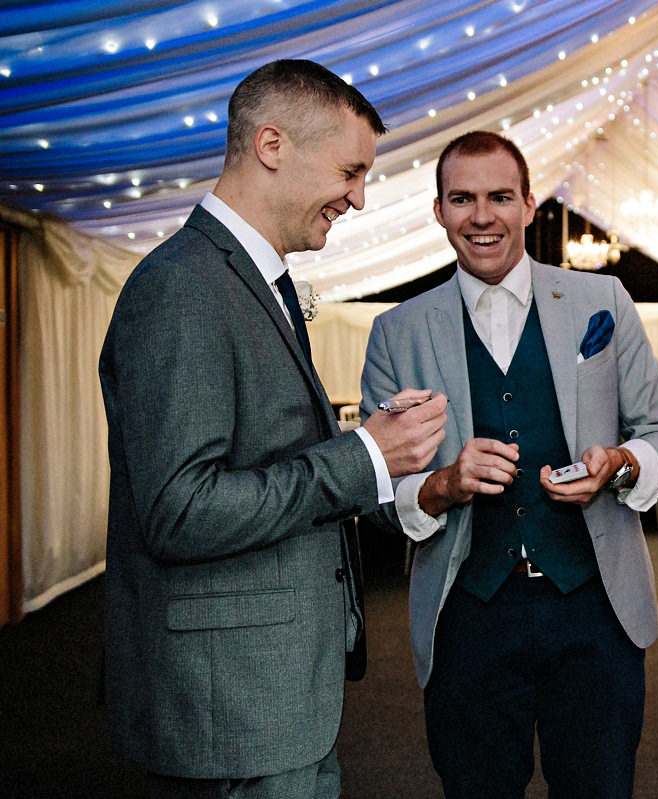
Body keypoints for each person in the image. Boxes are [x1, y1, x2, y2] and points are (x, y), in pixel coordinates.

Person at [99, 59, 448, 798]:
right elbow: (179, 510)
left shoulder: (252, 280)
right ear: (271, 145)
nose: (357, 197)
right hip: (231, 710)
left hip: (277, 698)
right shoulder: (183, 287)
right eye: (351, 172)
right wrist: (361, 456)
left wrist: (376, 448)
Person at [359, 130, 658, 797]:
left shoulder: (603, 303)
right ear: (439, 210)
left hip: (595, 606)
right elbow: (377, 493)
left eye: (500, 197)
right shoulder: (398, 331)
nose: (482, 216)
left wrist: (621, 461)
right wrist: (444, 484)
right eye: (463, 199)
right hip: (468, 613)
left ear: (530, 204)